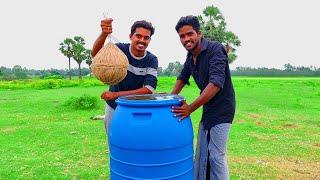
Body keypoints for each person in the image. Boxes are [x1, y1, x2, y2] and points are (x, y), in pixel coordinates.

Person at [171, 15, 235, 180]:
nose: (186, 39)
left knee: (216, 156)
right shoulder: (191, 56)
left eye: (190, 34)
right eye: (182, 36)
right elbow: (183, 77)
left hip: (223, 110)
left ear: (199, 34)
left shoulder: (215, 49)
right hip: (208, 109)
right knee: (202, 154)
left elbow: (215, 84)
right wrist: (168, 98)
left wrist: (190, 108)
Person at [91, 18, 158, 135]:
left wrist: (115, 95)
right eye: (138, 36)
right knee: (113, 139)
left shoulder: (151, 60)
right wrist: (104, 34)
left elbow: (148, 89)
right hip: (113, 107)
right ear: (131, 36)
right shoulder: (119, 49)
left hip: (136, 108)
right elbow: (96, 54)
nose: (142, 40)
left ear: (150, 40)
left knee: (134, 140)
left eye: (146, 38)